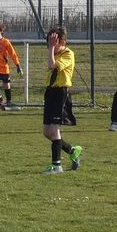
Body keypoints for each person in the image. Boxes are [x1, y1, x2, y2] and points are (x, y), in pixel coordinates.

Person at [42, 25, 82, 174]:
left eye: (53, 42)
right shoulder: (54, 53)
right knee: (47, 132)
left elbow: (52, 65)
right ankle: (72, 151)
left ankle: (56, 166)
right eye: (49, 42)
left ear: (63, 42)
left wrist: (52, 48)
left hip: (60, 92)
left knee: (54, 130)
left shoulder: (68, 54)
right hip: (50, 92)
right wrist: (52, 48)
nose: (50, 45)